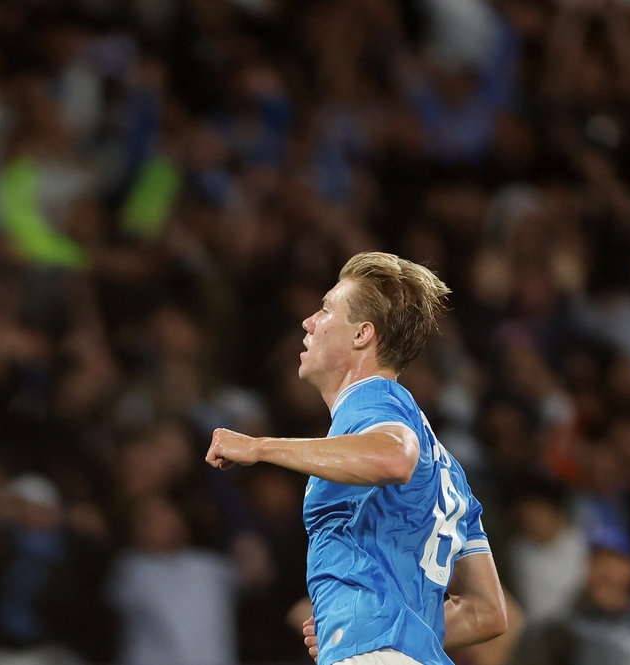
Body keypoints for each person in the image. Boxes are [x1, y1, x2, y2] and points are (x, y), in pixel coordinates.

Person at [205, 252, 507, 665]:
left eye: (327, 308)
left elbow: (394, 458)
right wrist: (361, 624)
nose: (309, 322)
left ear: (362, 334)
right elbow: (485, 612)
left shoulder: (371, 400)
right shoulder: (448, 471)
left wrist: (260, 447)